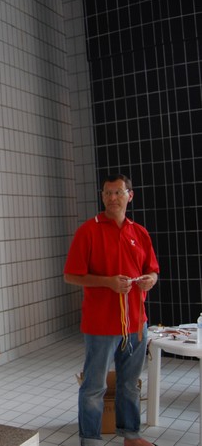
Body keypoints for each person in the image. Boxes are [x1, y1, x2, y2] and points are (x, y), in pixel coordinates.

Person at [64, 174, 159, 446]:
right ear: (102, 196)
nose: (112, 198)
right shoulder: (88, 231)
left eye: (118, 192)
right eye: (107, 193)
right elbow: (71, 275)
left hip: (135, 322)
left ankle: (131, 435)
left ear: (130, 195)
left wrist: (150, 280)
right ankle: (90, 440)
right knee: (95, 385)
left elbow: (152, 270)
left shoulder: (139, 232)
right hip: (101, 324)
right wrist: (108, 282)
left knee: (130, 384)